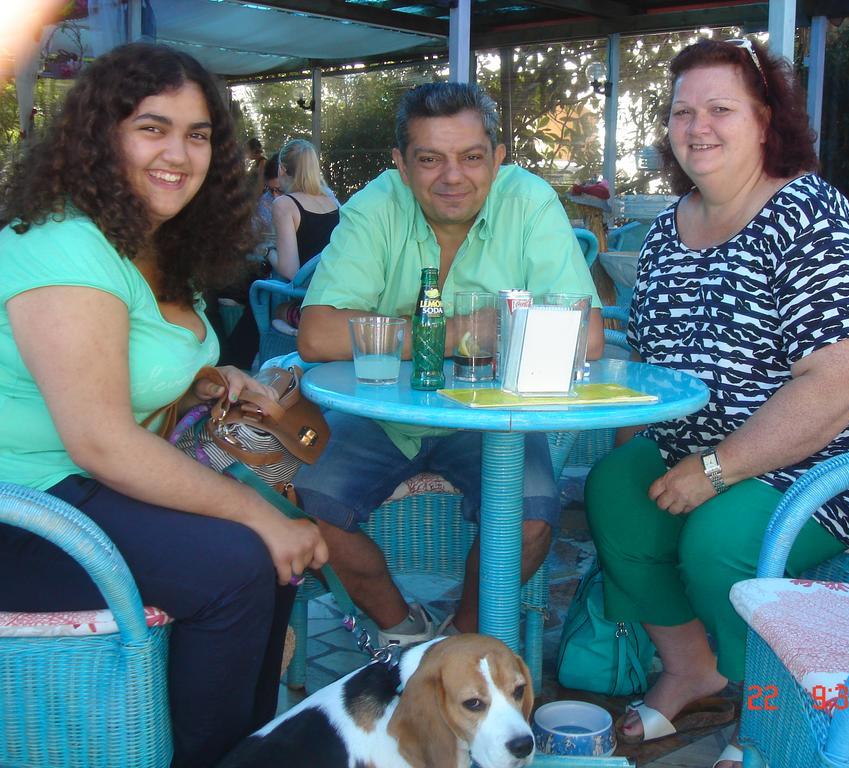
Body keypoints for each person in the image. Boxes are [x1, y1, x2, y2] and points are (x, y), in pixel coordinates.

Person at [583, 39, 849, 767]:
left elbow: (841, 381)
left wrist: (715, 469)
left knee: (722, 537)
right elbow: (659, 370)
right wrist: (649, 452)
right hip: (713, 445)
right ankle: (691, 667)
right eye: (684, 111)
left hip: (844, 459)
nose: (697, 126)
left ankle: (767, 710)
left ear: (766, 120)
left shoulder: (808, 214)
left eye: (720, 109)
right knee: (616, 491)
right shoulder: (667, 234)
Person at [0, 43, 328, 768]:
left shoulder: (152, 243)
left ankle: (246, 749)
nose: (179, 151)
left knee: (271, 557)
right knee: (241, 562)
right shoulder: (62, 243)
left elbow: (117, 371)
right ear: (100, 134)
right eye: (153, 127)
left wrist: (204, 380)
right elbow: (100, 441)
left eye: (199, 132)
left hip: (82, 492)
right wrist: (257, 515)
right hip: (23, 508)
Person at [295, 81, 604, 645]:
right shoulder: (376, 204)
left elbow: (585, 339)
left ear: (497, 159)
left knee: (532, 522)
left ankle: (460, 642)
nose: (453, 177)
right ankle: (402, 631)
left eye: (471, 157)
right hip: (380, 410)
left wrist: (394, 333)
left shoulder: (529, 201)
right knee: (302, 509)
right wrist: (460, 331)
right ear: (401, 164)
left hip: (489, 417)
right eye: (430, 159)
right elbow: (316, 334)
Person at [270, 138, 339, 282]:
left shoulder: (284, 205)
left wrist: (266, 251)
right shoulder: (332, 202)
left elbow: (290, 271)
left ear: (282, 169)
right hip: (337, 290)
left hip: (308, 297)